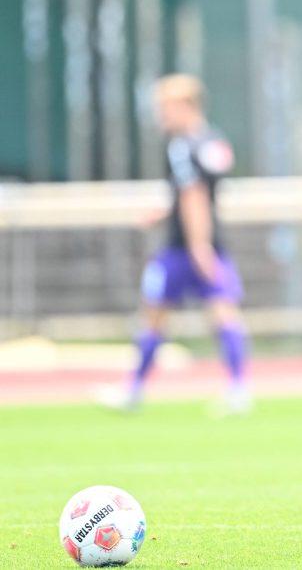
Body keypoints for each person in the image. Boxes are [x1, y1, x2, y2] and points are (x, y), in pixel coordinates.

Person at [96, 74, 251, 416]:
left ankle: (134, 390)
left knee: (158, 316)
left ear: (186, 106)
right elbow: (195, 193)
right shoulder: (213, 141)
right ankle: (239, 389)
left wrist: (198, 246)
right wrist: (166, 211)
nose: (160, 116)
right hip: (208, 242)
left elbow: (195, 195)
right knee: (222, 312)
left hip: (186, 248)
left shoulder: (182, 145)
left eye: (165, 108)